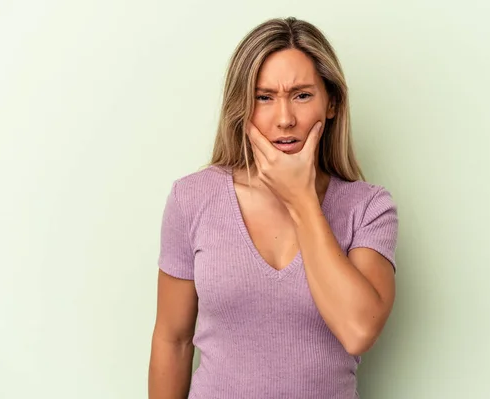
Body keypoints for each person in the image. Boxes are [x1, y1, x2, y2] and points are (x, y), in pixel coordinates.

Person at [148, 16, 399, 399]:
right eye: (264, 97)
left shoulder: (368, 208)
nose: (284, 119)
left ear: (331, 103)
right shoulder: (192, 199)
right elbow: (173, 340)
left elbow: (358, 330)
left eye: (302, 95)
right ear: (242, 107)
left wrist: (301, 199)